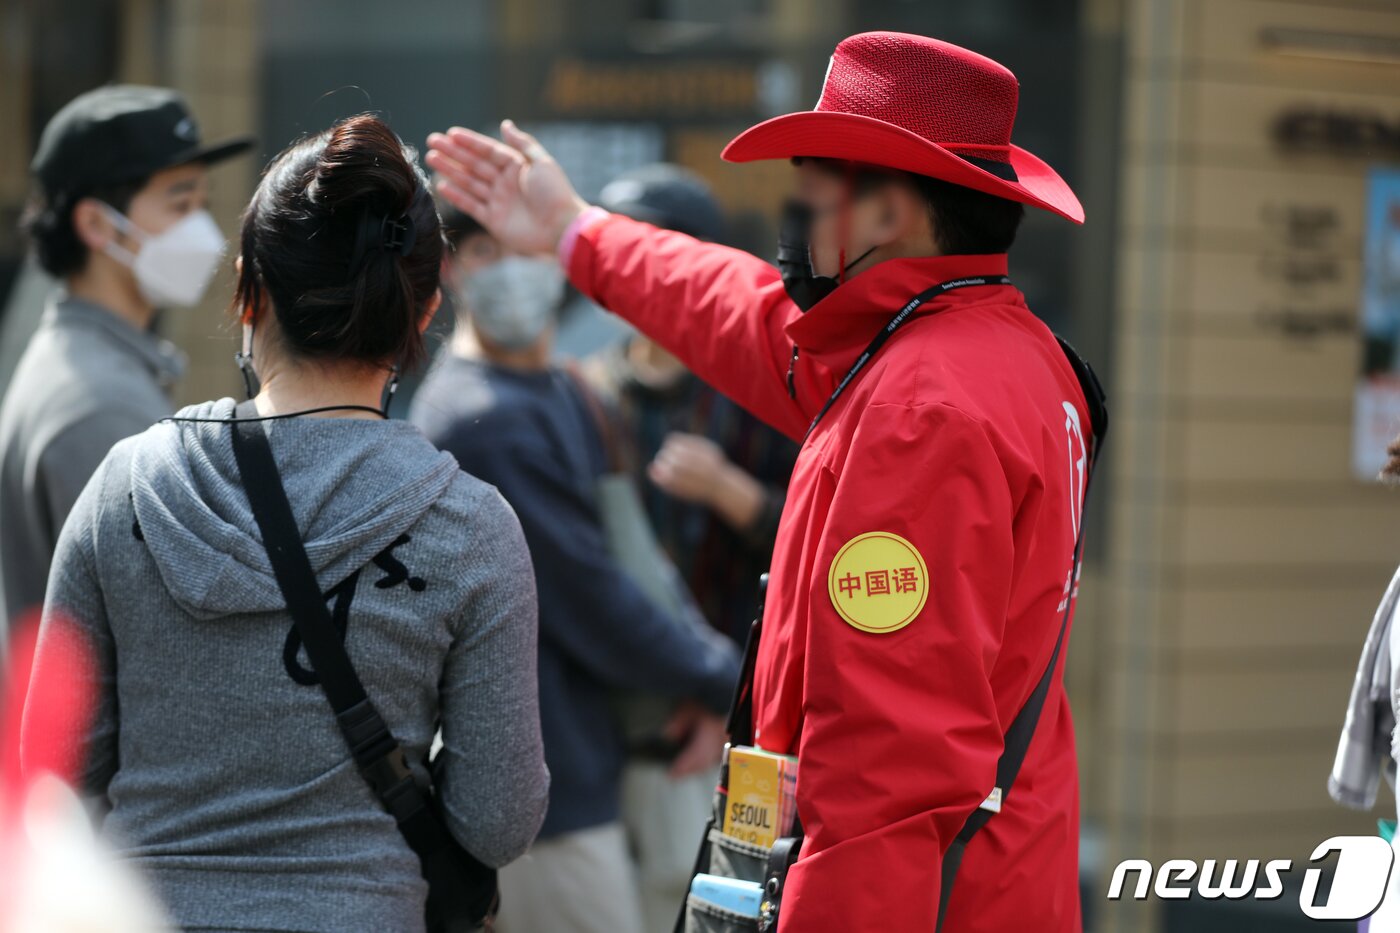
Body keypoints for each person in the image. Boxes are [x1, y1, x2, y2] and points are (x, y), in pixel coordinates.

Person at [429, 30, 1096, 932]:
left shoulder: (919, 406)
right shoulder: (997, 352)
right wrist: (575, 233)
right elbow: (737, 312)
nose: (795, 216)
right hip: (993, 876)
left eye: (814, 192)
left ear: (887, 212)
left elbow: (886, 771)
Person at [23, 114, 549, 932]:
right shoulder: (468, 525)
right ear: (426, 311)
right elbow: (499, 820)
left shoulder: (124, 487)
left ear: (247, 290)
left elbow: (52, 769)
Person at [409, 205, 741, 933]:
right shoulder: (480, 415)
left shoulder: (559, 388)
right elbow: (592, 597)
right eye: (482, 249)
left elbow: (633, 561)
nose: (511, 270)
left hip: (597, 763)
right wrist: (725, 680)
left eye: (523, 245)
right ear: (451, 267)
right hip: (543, 797)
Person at [0, 85, 252, 633]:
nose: (202, 230)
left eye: (202, 205)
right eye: (179, 204)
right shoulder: (100, 404)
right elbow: (152, 634)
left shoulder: (87, 366)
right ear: (96, 226)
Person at [587, 163, 799, 645]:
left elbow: (829, 542)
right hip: (621, 683)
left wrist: (728, 490)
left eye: (644, 249)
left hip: (746, 673)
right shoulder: (587, 388)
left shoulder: (762, 385)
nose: (626, 269)